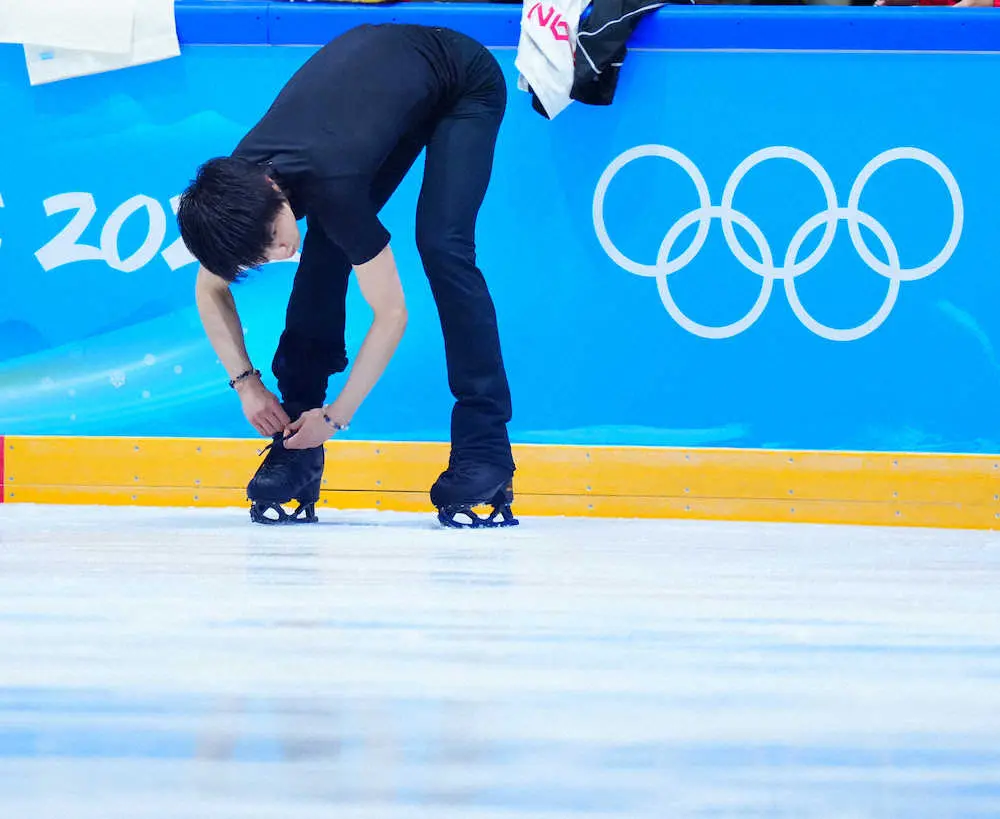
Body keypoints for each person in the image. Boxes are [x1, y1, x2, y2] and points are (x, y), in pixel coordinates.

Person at [176, 23, 518, 529]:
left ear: (273, 188)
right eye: (264, 251)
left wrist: (337, 417)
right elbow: (208, 287)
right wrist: (248, 386)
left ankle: (485, 446)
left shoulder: (332, 184)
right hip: (376, 97)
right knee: (323, 253)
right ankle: (296, 435)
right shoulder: (232, 192)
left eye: (273, 235)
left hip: (460, 79)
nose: (277, 251)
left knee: (443, 247)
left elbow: (391, 313)